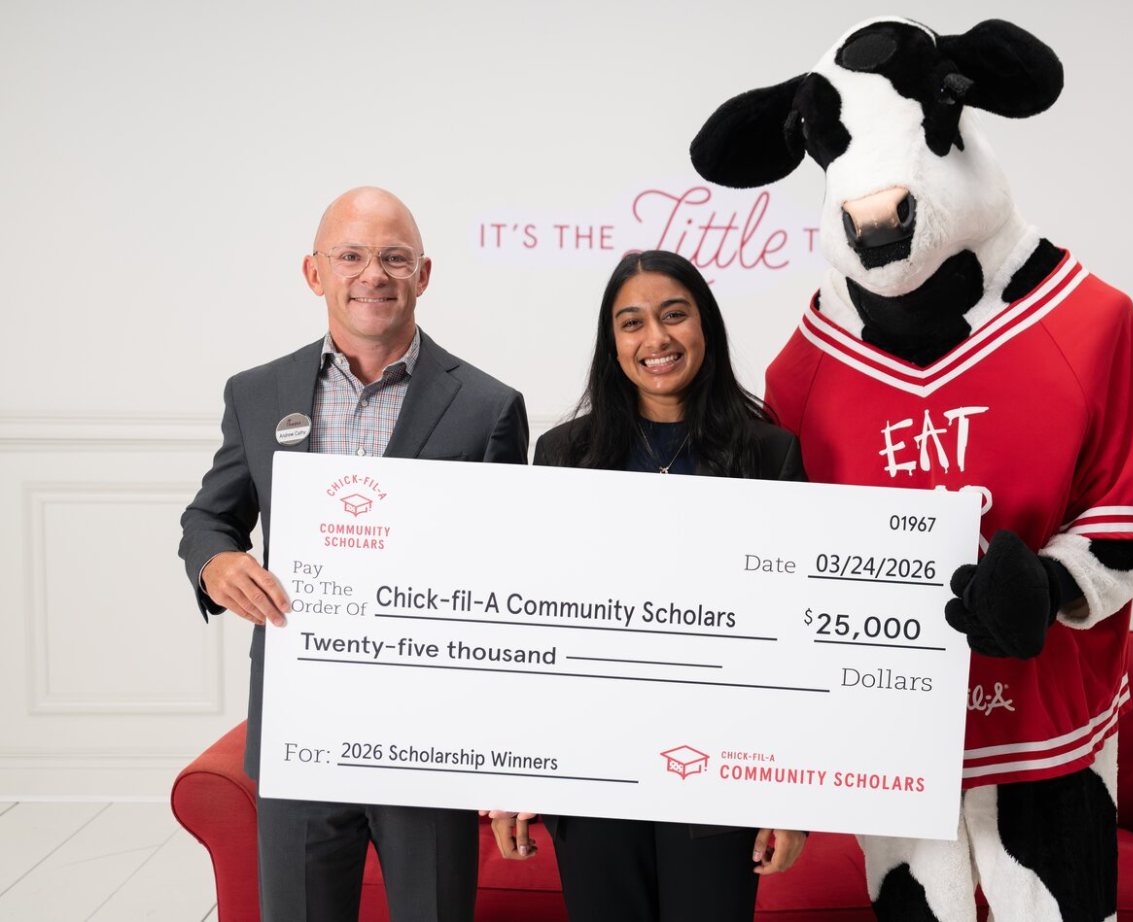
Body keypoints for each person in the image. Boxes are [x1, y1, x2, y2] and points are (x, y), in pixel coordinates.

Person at [179, 186, 528, 921]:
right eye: (352, 256)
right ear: (315, 273)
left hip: (427, 731)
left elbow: (505, 574)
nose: (374, 274)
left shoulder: (488, 407)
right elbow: (210, 518)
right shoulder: (257, 393)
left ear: (424, 275)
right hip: (300, 727)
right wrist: (216, 563)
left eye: (395, 258)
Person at [488, 249, 806, 922]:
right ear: (612, 343)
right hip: (592, 770)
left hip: (721, 773)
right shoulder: (563, 456)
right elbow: (533, 625)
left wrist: (791, 795)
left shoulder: (769, 454)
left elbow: (793, 634)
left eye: (673, 316)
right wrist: (516, 771)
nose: (655, 339)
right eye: (631, 323)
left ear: (705, 327)